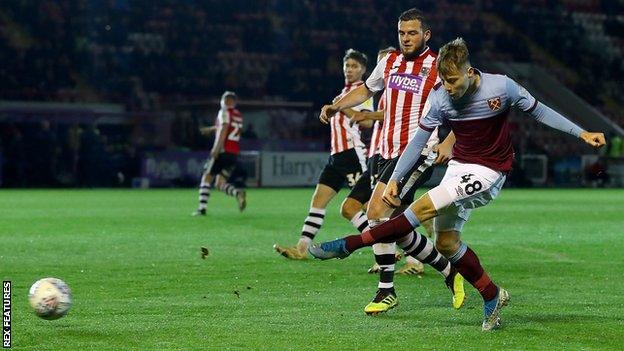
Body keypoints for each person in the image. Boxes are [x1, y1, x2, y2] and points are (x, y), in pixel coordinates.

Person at [309, 38, 606, 331]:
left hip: (490, 171)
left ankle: (349, 245)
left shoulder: (501, 88)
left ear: (470, 72)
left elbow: (540, 110)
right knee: (446, 243)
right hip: (459, 167)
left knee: (420, 208)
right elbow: (418, 141)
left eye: (453, 80)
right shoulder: (439, 97)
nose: (448, 87)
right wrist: (395, 179)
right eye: (444, 81)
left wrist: (581, 133)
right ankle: (492, 294)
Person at [317, 8, 464, 315]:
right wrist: (336, 105)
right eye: (402, 33)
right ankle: (449, 270)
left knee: (375, 211)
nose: (406, 38)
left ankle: (386, 291)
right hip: (386, 152)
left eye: (412, 33)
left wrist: (449, 141)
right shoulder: (390, 62)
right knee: (392, 226)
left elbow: (458, 105)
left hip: (418, 151)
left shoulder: (436, 66)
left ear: (426, 35)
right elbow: (365, 90)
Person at [273, 49, 374, 260]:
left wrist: (342, 107)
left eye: (354, 66)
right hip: (336, 157)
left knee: (367, 207)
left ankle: (383, 248)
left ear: (364, 70)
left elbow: (366, 122)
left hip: (352, 155)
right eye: (347, 65)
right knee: (318, 201)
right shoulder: (343, 93)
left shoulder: (362, 92)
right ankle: (301, 249)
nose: (349, 69)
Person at [193, 91, 246, 216]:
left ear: (226, 100)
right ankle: (238, 193)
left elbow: (224, 128)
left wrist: (216, 149)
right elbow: (229, 127)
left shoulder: (223, 112)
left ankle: (202, 209)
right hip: (233, 153)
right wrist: (213, 128)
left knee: (206, 177)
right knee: (219, 183)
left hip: (223, 151)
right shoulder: (238, 115)